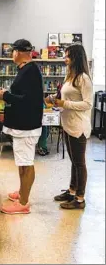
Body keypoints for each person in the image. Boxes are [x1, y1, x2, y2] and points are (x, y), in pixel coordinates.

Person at [0, 39, 44, 214]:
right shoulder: (26, 70)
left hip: (26, 127)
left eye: (13, 51)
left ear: (20, 52)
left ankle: (23, 203)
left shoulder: (30, 71)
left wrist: (5, 95)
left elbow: (27, 100)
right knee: (22, 162)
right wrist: (5, 94)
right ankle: (22, 192)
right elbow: (21, 95)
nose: (12, 54)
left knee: (26, 163)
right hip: (22, 125)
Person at [46, 44, 93, 209]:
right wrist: (52, 99)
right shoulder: (69, 76)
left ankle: (80, 199)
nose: (65, 59)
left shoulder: (83, 78)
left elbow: (87, 104)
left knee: (79, 163)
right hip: (67, 124)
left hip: (78, 126)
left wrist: (64, 103)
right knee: (74, 161)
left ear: (76, 58)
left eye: (68, 56)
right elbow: (62, 96)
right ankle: (72, 191)